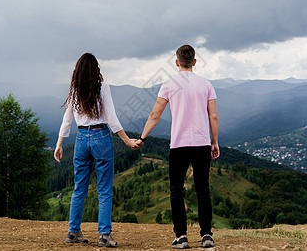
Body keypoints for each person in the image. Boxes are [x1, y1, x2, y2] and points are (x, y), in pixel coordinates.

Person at [136, 45, 220, 249]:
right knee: (202, 189)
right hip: (201, 143)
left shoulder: (168, 84)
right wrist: (214, 141)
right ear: (194, 62)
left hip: (179, 145)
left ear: (176, 62)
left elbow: (155, 115)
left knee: (176, 190)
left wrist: (142, 138)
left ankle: (181, 236)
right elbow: (213, 116)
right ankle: (207, 235)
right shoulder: (206, 84)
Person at [54, 53, 138, 248]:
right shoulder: (103, 88)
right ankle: (104, 236)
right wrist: (126, 141)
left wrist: (59, 145)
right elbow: (112, 118)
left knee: (79, 189)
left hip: (81, 139)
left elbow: (67, 120)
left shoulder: (75, 90)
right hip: (101, 137)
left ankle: (73, 232)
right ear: (96, 69)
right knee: (104, 190)